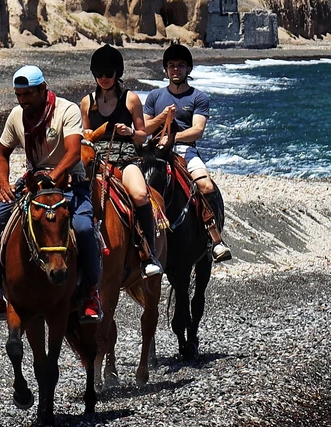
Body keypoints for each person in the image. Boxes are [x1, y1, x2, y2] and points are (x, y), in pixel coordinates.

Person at [0, 65, 102, 321]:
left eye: (28, 94)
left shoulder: (67, 110)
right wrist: (3, 185)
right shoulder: (16, 116)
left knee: (84, 227)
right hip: (33, 182)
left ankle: (91, 293)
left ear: (43, 89)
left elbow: (73, 152)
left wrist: (51, 180)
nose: (23, 100)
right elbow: (2, 154)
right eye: (19, 95)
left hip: (69, 181)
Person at [141, 44, 232, 262]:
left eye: (181, 65)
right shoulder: (155, 96)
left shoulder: (198, 97)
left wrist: (173, 138)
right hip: (155, 149)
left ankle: (215, 238)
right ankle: (138, 237)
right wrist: (162, 118)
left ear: (189, 69)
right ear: (165, 70)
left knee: (206, 185)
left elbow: (197, 130)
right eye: (171, 65)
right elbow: (144, 128)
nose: (176, 70)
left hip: (184, 149)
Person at [80, 44, 162, 278]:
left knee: (139, 194)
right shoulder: (87, 102)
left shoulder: (131, 99)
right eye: (99, 74)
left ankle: (148, 252)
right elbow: (85, 134)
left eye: (108, 74)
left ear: (117, 74)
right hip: (95, 159)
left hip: (125, 158)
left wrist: (129, 132)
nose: (104, 78)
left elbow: (143, 135)